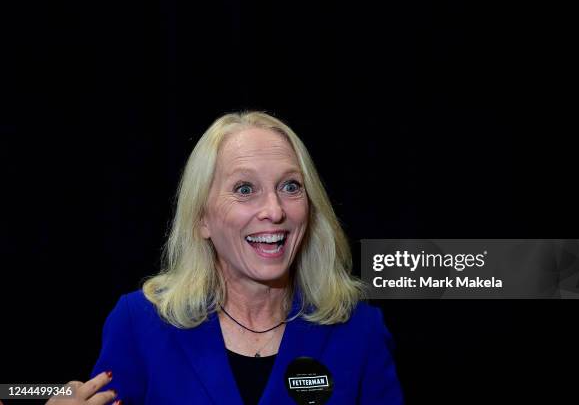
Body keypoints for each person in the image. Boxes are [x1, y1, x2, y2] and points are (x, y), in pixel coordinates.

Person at [49, 111, 404, 404]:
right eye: (244, 189)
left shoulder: (360, 328)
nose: (274, 210)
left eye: (290, 186)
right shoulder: (138, 324)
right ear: (201, 218)